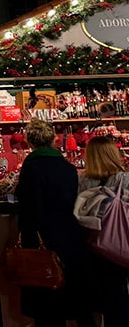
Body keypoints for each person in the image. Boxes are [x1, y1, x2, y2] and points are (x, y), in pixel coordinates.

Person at [14, 118, 96, 327]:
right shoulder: (68, 168)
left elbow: (29, 208)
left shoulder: (31, 169)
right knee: (75, 295)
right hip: (70, 235)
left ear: (30, 142)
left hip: (43, 239)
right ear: (53, 140)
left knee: (47, 302)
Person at [77, 135, 129, 327]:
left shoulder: (83, 182)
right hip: (122, 244)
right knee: (120, 300)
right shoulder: (125, 179)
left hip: (94, 245)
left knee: (103, 299)